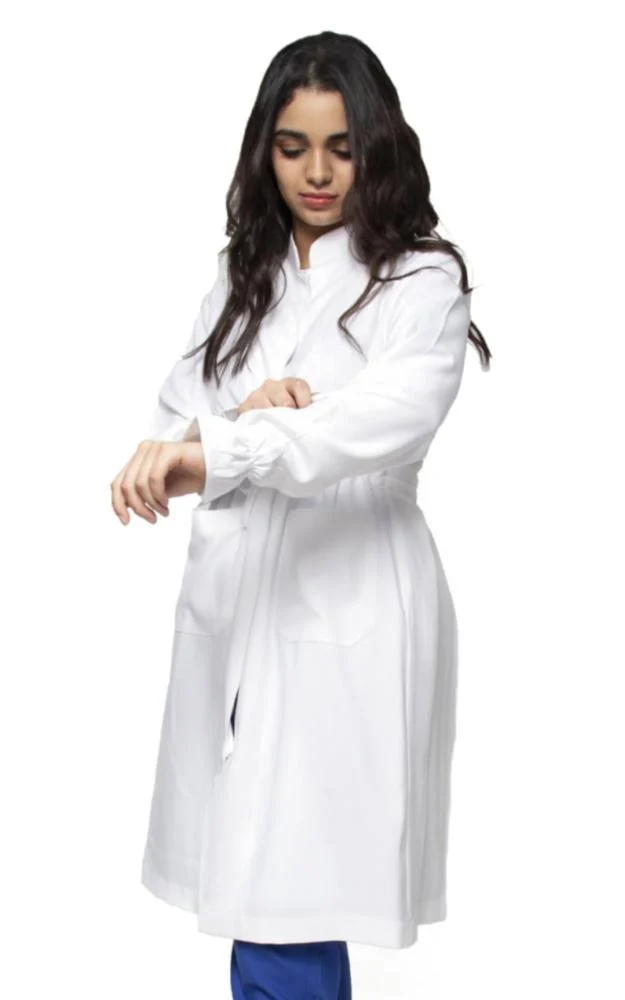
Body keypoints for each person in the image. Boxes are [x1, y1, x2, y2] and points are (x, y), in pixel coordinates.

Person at [111, 30, 491, 1000]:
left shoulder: (420, 279)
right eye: (292, 147)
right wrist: (233, 423)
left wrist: (240, 440)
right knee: (261, 888)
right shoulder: (242, 277)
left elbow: (375, 426)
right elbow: (173, 430)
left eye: (340, 148)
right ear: (264, 151)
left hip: (350, 604)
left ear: (377, 148)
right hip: (243, 599)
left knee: (290, 895)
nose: (315, 174)